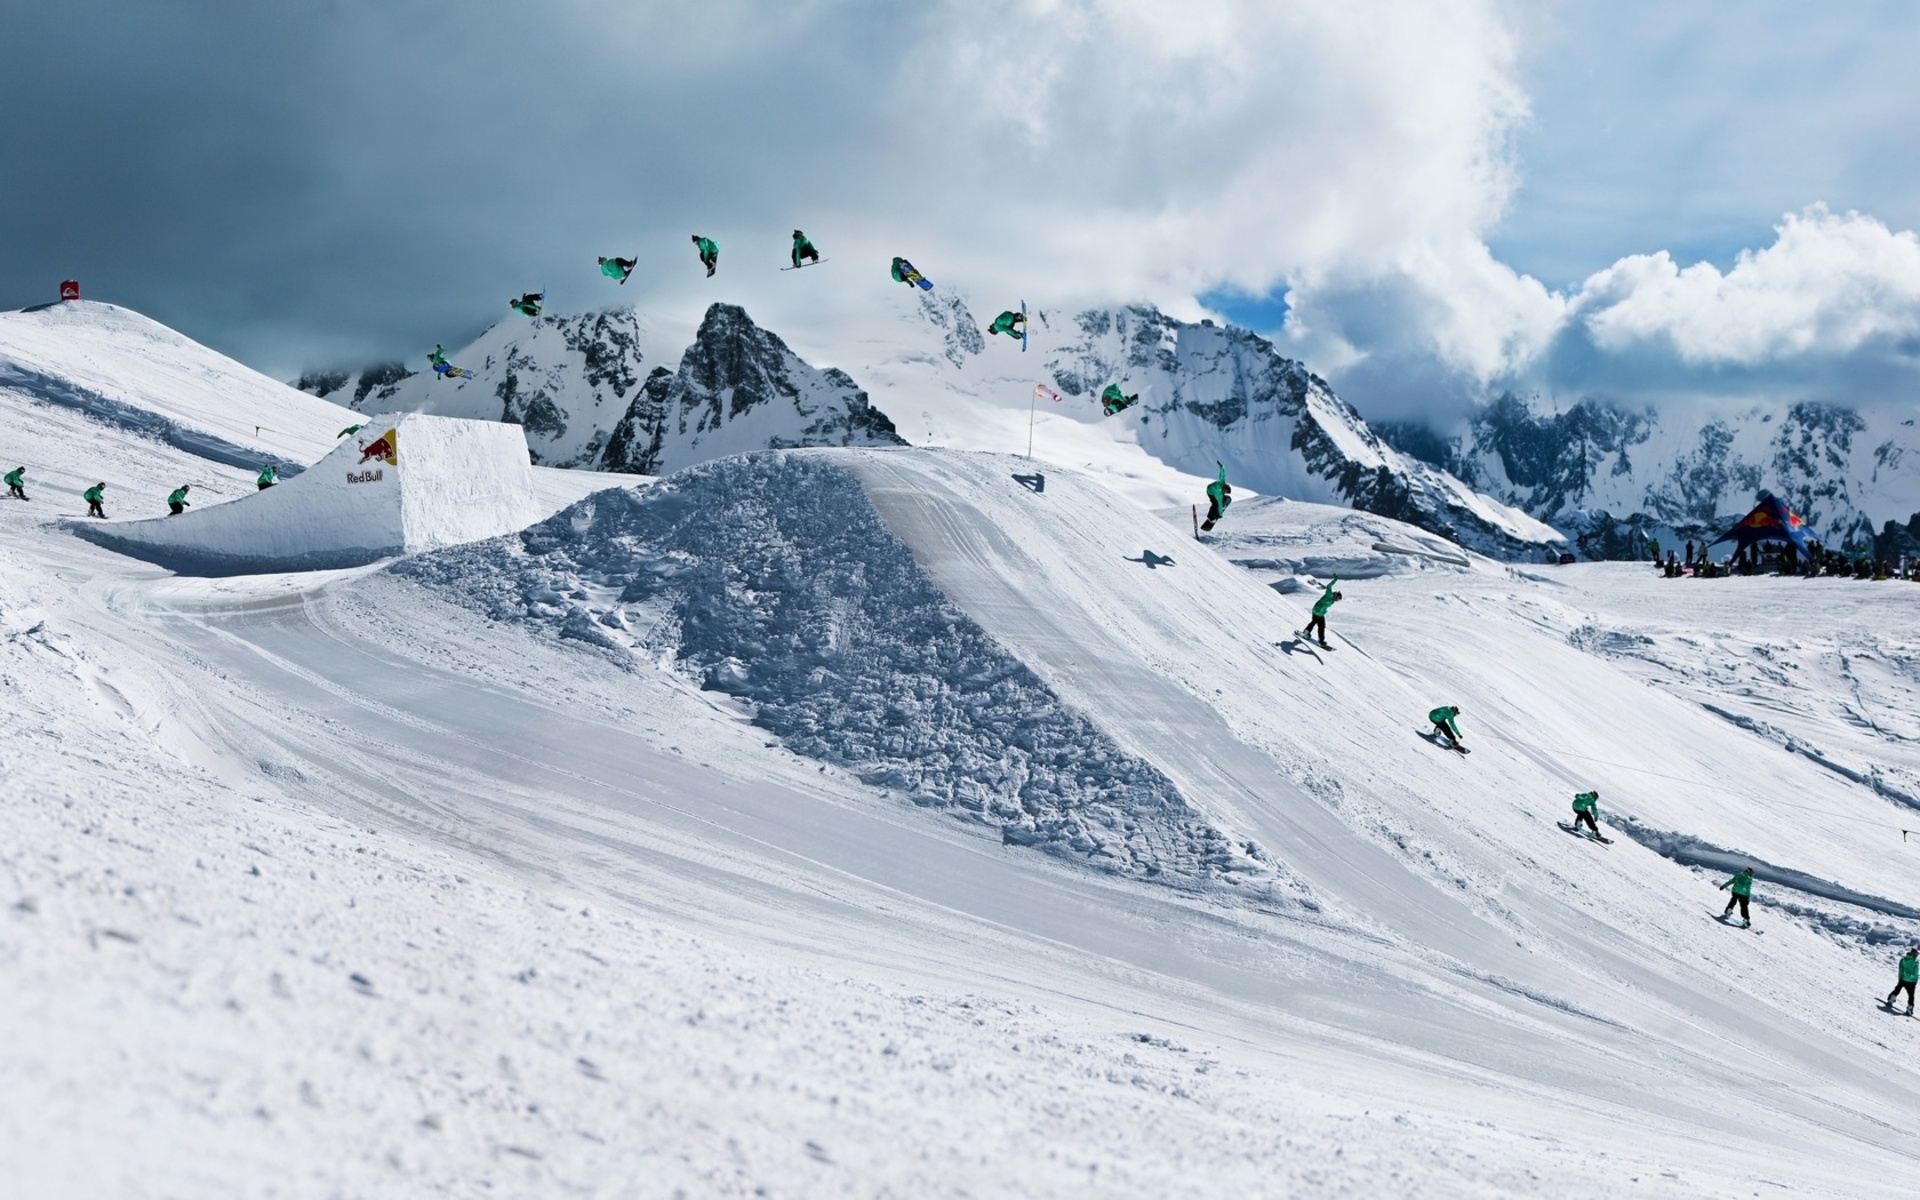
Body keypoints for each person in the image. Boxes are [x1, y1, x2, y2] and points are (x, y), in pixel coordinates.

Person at [1303, 576, 1341, 648]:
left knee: (1314, 622)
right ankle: (1321, 641)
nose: (1337, 600)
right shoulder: (1329, 594)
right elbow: (1329, 586)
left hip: (1315, 610)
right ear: (1336, 595)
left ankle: (1306, 632)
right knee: (1321, 626)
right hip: (1319, 613)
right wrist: (1334, 580)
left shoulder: (1332, 599)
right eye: (1337, 598)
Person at [1199, 461, 1231, 532]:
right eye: (1225, 492)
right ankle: (1211, 518)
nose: (1225, 493)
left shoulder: (1222, 482)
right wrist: (1220, 514)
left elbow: (1222, 474)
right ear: (1225, 489)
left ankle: (1212, 515)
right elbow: (1219, 504)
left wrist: (1221, 466)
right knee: (1215, 504)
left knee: (1216, 503)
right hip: (1211, 492)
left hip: (1210, 487)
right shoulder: (1219, 494)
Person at [1887, 947, 1919, 1016]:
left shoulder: (1903, 959)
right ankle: (1909, 1009)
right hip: (1912, 982)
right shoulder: (1916, 962)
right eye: (1916, 954)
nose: (1917, 955)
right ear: (1913, 953)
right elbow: (1916, 973)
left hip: (1903, 979)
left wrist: (1900, 978)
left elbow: (1901, 969)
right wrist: (1915, 980)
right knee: (1911, 996)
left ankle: (1891, 999)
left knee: (1897, 989)